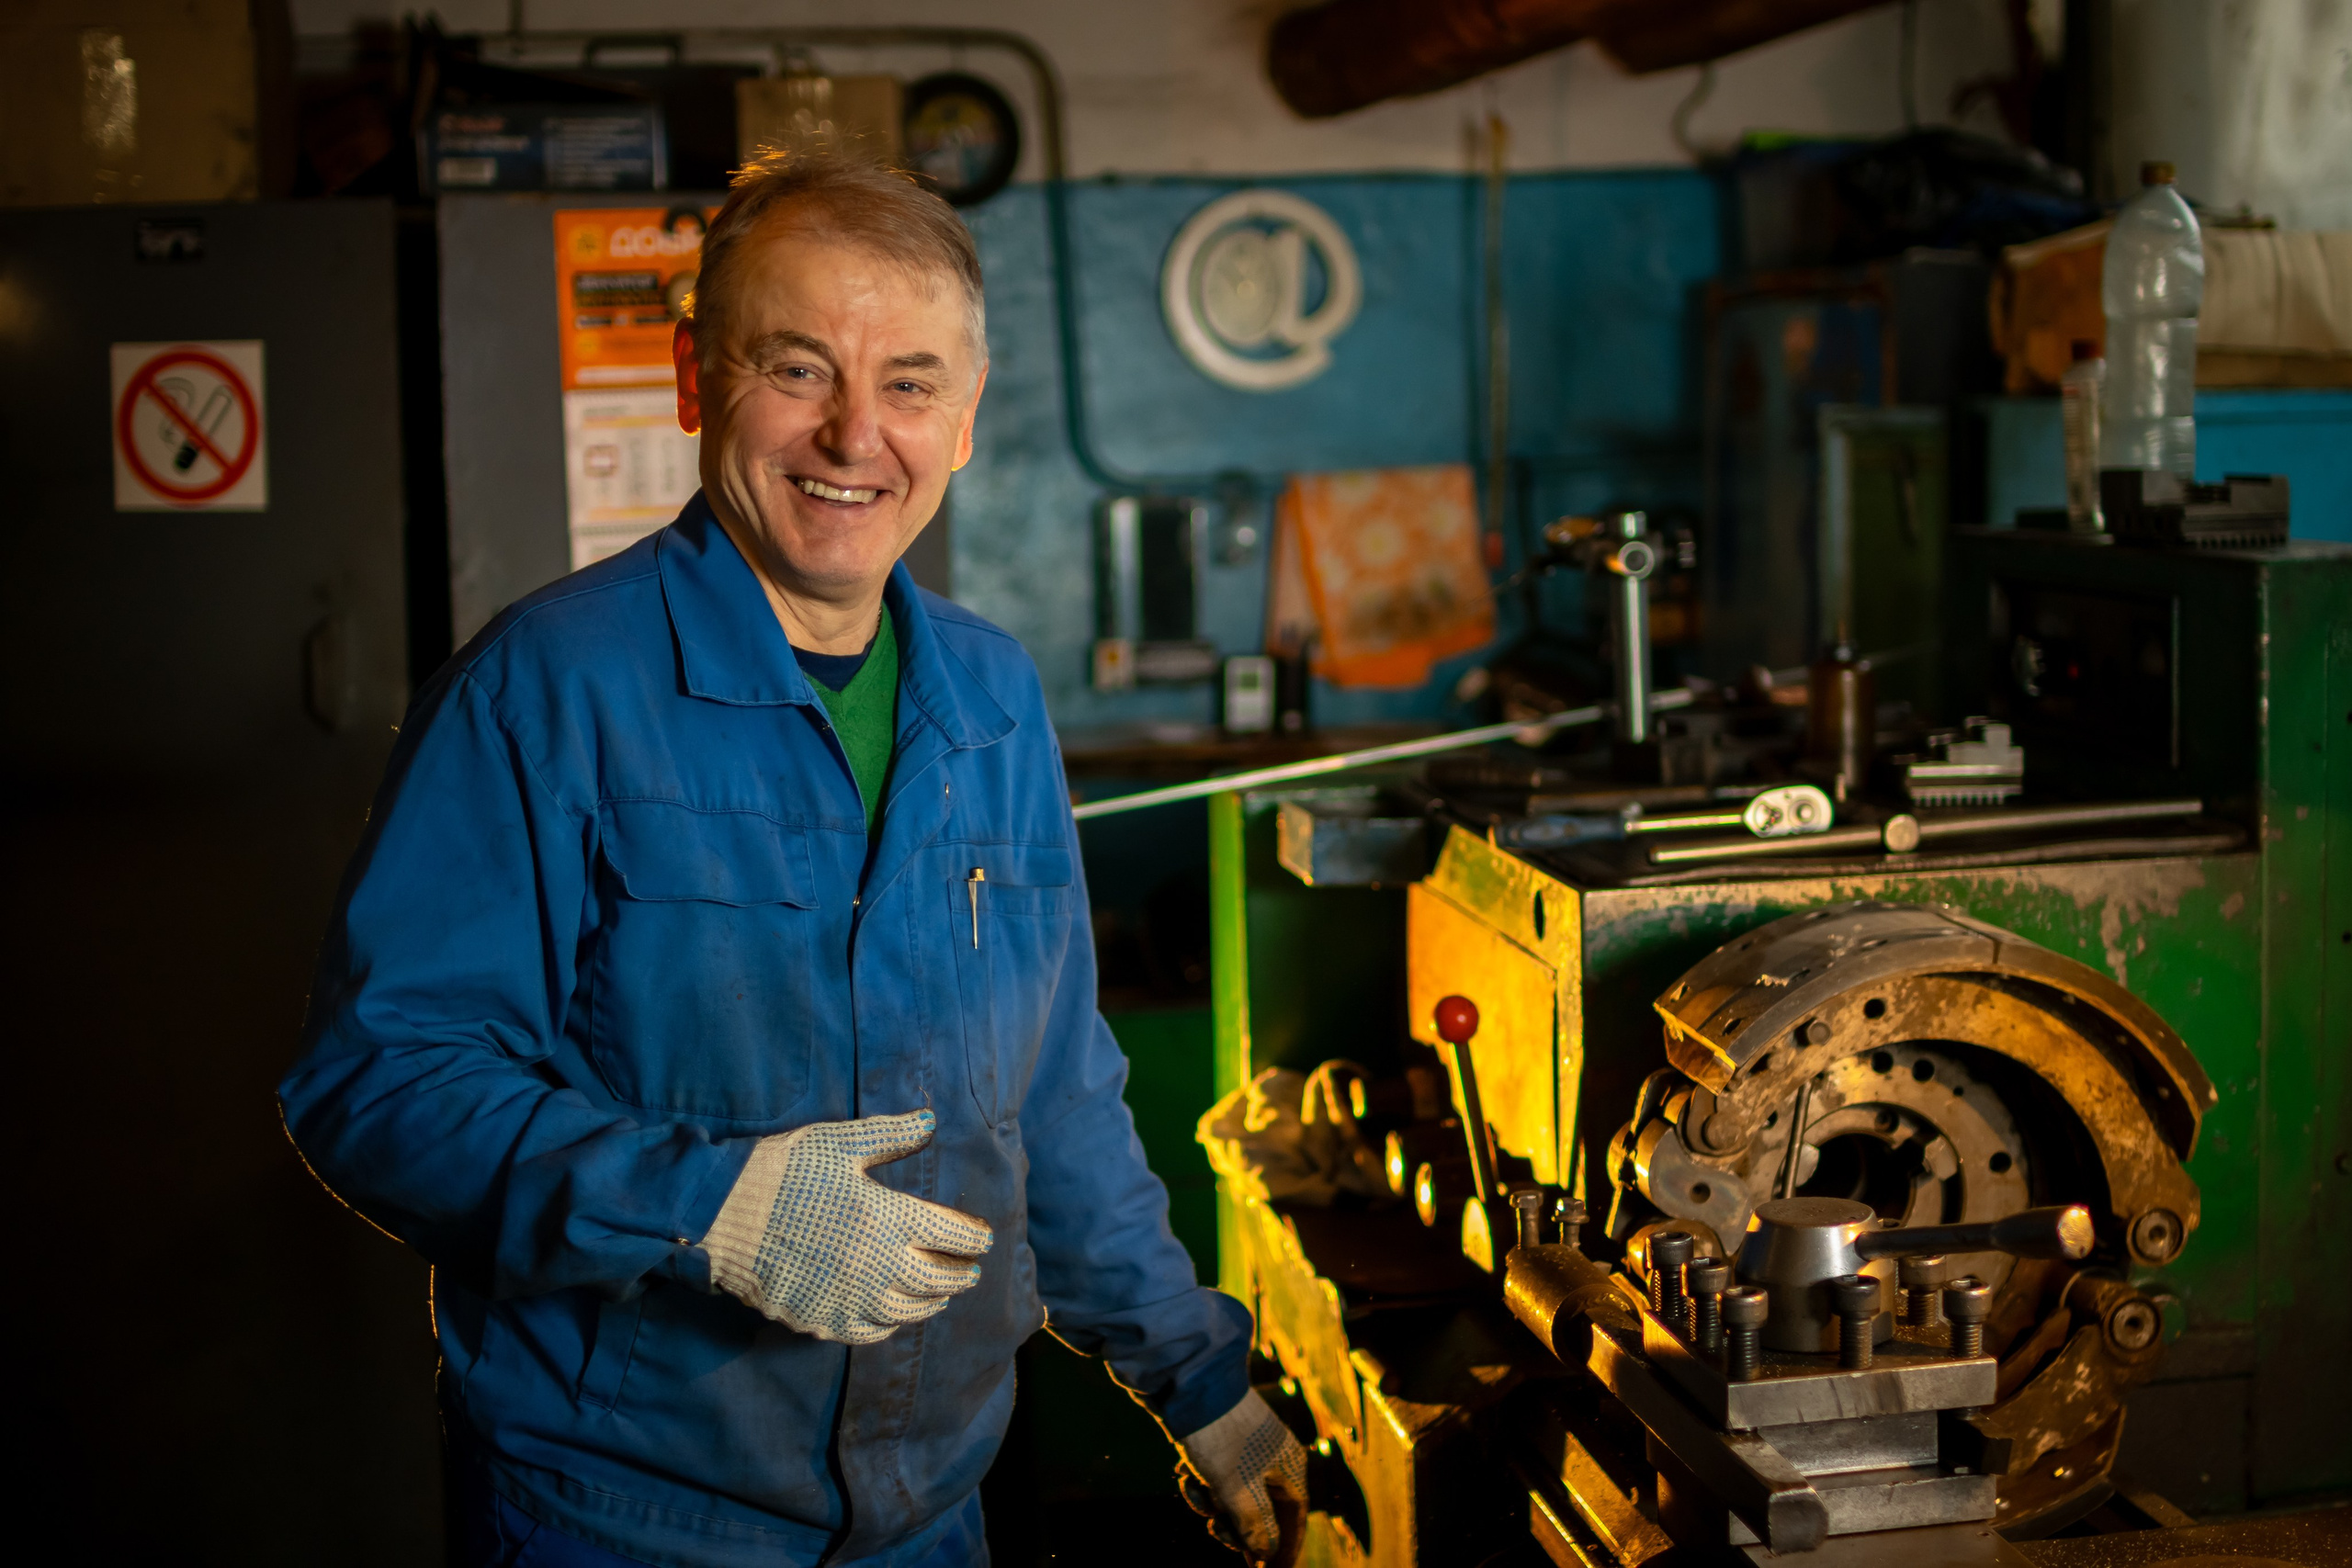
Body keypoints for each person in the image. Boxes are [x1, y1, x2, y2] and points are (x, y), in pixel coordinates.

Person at [280, 146, 1307, 1568]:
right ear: (696, 380)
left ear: (965, 416)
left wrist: (1196, 1378)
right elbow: (381, 1085)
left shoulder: (992, 700)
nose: (853, 436)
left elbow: (1055, 1095)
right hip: (621, 1520)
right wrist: (713, 1210)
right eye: (797, 368)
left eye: (909, 384)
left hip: (932, 1513)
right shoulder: (547, 691)